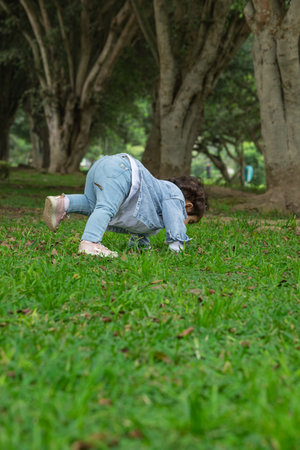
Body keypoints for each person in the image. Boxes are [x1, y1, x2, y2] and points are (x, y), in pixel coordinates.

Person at [42, 153, 208, 257]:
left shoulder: (155, 200)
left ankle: (63, 203)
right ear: (187, 206)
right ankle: (90, 243)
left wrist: (139, 246)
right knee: (106, 208)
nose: (186, 224)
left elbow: (141, 225)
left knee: (93, 204)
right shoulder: (174, 195)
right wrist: (176, 246)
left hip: (103, 166)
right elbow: (174, 221)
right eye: (190, 221)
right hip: (123, 170)